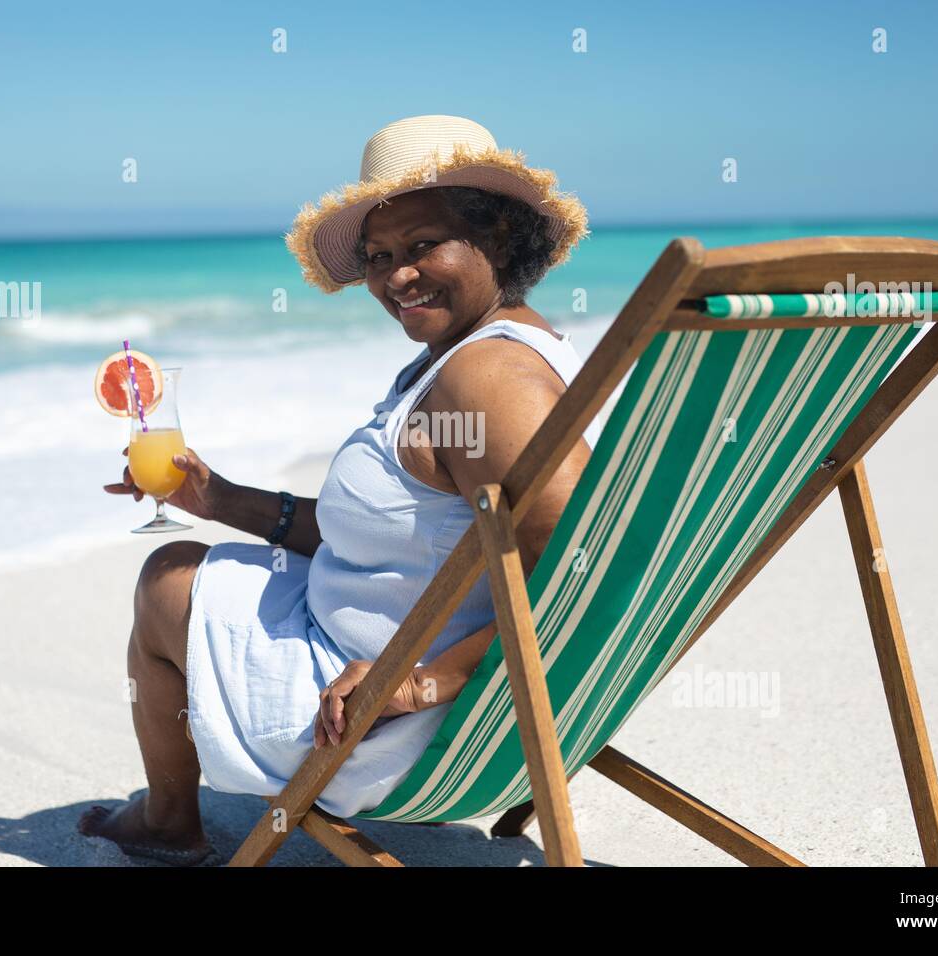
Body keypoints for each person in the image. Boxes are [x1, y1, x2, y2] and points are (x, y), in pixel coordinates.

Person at [79, 115, 600, 865]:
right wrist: (222, 500)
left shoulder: (486, 381)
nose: (395, 277)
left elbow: (575, 572)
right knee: (195, 556)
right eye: (380, 256)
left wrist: (419, 682)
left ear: (502, 239)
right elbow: (398, 538)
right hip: (414, 675)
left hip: (383, 717)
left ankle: (168, 822)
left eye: (423, 246)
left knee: (167, 580)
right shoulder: (499, 350)